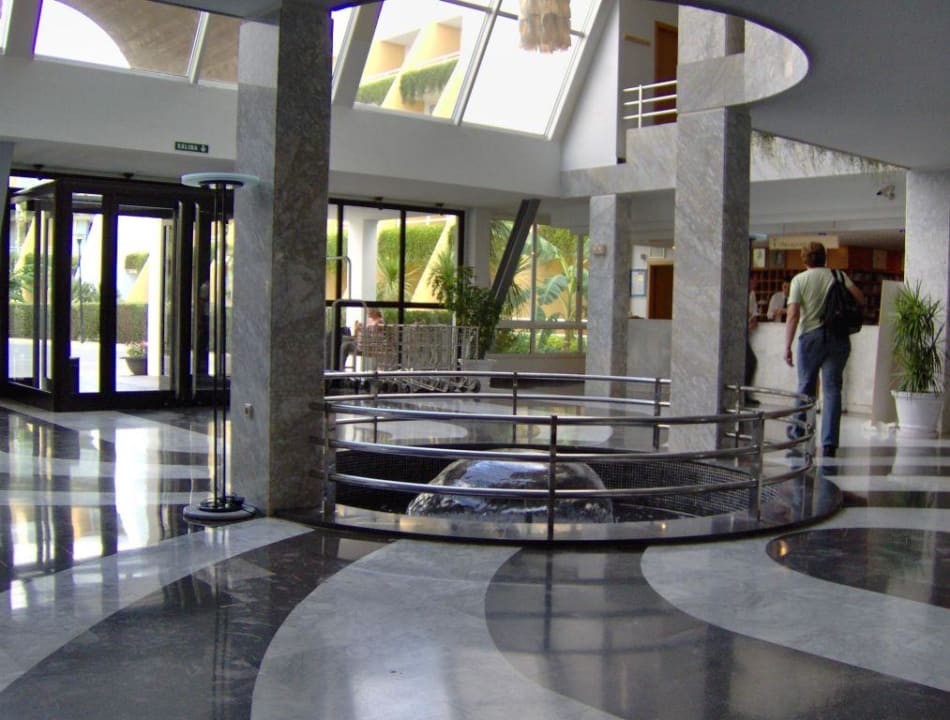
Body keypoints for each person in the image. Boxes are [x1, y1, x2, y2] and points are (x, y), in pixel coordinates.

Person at [784, 242, 865, 457]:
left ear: (804, 259)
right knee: (832, 390)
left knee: (805, 387)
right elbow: (860, 298)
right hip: (838, 337)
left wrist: (787, 346)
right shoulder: (838, 275)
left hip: (810, 338)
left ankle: (798, 434)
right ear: (824, 257)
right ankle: (829, 443)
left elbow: (793, 315)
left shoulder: (799, 280)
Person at [745, 276, 760, 405]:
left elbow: (753, 315)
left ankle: (745, 394)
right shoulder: (743, 293)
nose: (756, 282)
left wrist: (752, 318)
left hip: (744, 333)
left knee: (750, 362)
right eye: (754, 280)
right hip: (739, 334)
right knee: (750, 362)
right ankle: (744, 395)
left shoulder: (752, 294)